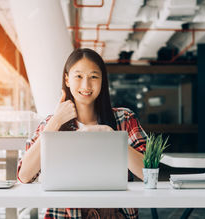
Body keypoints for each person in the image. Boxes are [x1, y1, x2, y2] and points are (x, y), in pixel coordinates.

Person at [17, 48, 147, 219]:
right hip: (65, 215)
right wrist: (55, 123)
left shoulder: (124, 118)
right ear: (67, 79)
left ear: (102, 81)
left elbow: (149, 171)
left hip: (116, 214)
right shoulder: (51, 123)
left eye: (93, 76)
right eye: (78, 76)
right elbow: (24, 176)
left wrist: (113, 139)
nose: (86, 85)